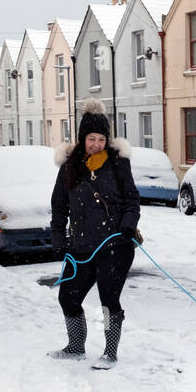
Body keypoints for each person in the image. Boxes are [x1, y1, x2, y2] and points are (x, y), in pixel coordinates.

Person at [48, 99, 141, 369]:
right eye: (92, 138)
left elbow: (132, 199)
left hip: (115, 245)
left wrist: (128, 224)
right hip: (80, 247)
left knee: (109, 301)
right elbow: (58, 206)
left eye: (101, 139)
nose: (97, 144)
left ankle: (110, 353)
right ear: (82, 138)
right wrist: (58, 239)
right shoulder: (70, 166)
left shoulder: (118, 164)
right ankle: (76, 346)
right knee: (68, 296)